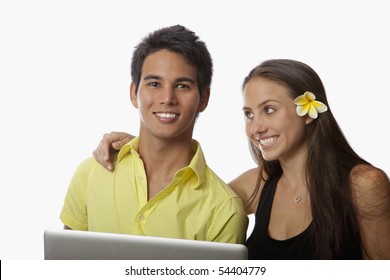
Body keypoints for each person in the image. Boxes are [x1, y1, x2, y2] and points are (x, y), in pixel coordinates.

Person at [93, 59, 390, 259]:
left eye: (269, 109)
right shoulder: (256, 185)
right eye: (249, 114)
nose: (256, 127)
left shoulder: (363, 185)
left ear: (308, 111)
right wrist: (140, 147)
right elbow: (186, 199)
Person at [60, 25, 248, 244]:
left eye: (182, 86)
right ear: (133, 93)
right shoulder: (91, 173)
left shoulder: (224, 210)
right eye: (154, 83)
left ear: (204, 99)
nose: (167, 98)